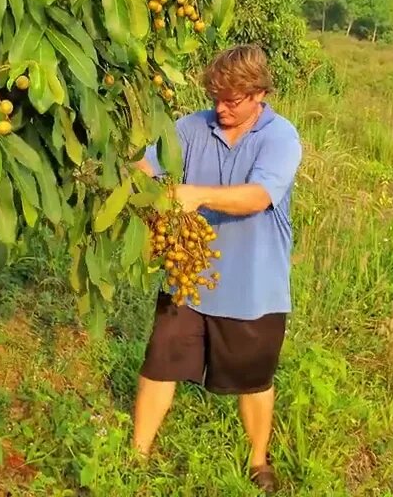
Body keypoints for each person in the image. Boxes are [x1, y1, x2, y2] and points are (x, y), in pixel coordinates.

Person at [131, 44, 303, 494]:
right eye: (215, 98)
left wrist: (196, 194)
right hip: (187, 278)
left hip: (252, 285)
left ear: (260, 94)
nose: (221, 108)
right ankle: (136, 456)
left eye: (233, 101)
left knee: (254, 378)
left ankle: (258, 460)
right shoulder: (190, 127)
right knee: (159, 364)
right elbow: (146, 167)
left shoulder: (280, 137)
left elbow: (258, 197)